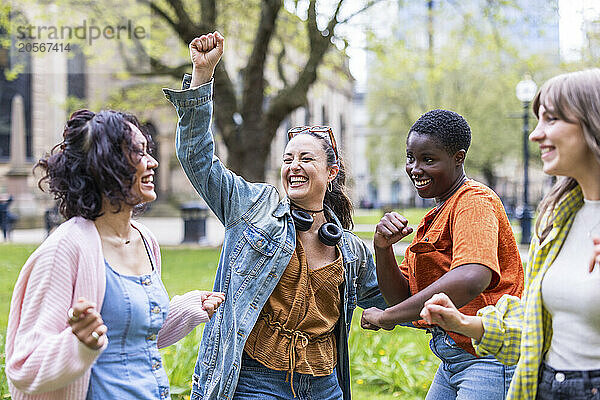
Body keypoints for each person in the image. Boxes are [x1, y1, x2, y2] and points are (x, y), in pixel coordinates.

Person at [163, 32, 386, 400]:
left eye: (306, 159)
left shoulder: (349, 250)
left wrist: (460, 311)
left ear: (331, 173)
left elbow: (395, 299)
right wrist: (203, 75)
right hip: (256, 382)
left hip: (324, 385)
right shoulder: (252, 206)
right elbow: (198, 159)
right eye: (287, 159)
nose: (293, 167)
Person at [5, 109, 225, 400]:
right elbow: (23, 366)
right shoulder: (66, 248)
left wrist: (186, 309)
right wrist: (79, 344)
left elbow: (130, 339)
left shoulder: (145, 240)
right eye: (138, 153)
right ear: (104, 165)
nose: (153, 162)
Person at [420, 69, 600, 400]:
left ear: (593, 123)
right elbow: (537, 326)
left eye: (552, 120)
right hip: (547, 385)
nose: (535, 134)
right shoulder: (560, 218)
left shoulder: (475, 200)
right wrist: (464, 323)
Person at [360, 109, 524, 400]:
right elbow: (400, 296)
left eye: (428, 159)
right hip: (453, 359)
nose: (415, 169)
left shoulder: (474, 201)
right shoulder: (435, 216)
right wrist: (382, 248)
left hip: (487, 358)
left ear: (458, 158)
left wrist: (389, 317)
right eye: (411, 158)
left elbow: (472, 277)